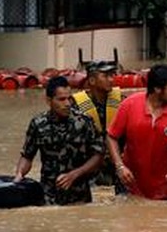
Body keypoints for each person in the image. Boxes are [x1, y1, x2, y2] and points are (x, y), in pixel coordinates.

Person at [14, 75, 104, 205]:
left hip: (79, 196)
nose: (67, 104)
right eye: (61, 99)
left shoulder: (84, 121)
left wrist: (75, 174)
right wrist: (19, 174)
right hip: (48, 196)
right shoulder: (38, 124)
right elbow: (27, 155)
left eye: (69, 99)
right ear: (49, 100)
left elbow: (98, 155)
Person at [106, 63, 167, 200]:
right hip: (129, 181)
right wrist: (120, 166)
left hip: (164, 184)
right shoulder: (129, 105)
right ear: (157, 89)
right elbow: (111, 137)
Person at [72, 60, 123, 186]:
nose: (111, 79)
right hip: (88, 168)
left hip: (116, 166)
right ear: (92, 81)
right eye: (105, 76)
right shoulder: (75, 105)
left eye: (112, 75)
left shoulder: (122, 102)